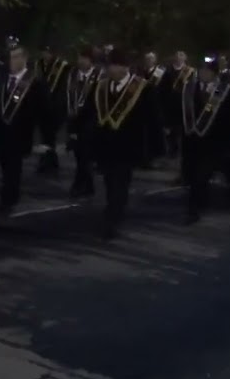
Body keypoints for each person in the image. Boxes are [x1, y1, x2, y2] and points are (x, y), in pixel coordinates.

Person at [92, 48, 157, 239]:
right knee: (109, 181)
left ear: (124, 67)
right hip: (106, 145)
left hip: (128, 146)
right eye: (109, 65)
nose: (111, 69)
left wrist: (152, 147)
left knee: (121, 182)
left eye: (114, 65)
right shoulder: (101, 87)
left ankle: (113, 217)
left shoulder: (142, 88)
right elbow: (93, 115)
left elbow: (152, 119)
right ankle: (112, 209)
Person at [181, 57, 230, 224]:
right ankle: (195, 207)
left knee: (210, 173)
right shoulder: (189, 89)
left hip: (216, 143)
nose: (203, 73)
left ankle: (197, 207)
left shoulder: (224, 91)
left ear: (215, 73)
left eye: (207, 70)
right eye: (201, 69)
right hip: (194, 143)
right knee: (196, 176)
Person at [0, 41, 46, 217]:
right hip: (1, 133)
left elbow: (40, 111)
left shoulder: (34, 83)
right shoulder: (2, 79)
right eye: (10, 57)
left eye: (16, 57)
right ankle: (11, 194)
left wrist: (40, 137)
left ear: (24, 59)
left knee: (13, 169)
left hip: (20, 133)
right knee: (6, 166)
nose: (12, 61)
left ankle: (7, 200)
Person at [65, 46, 101, 198]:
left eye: (83, 58)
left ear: (90, 60)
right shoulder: (73, 74)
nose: (80, 61)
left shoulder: (98, 75)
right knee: (78, 153)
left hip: (91, 120)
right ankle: (88, 185)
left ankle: (79, 184)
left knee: (85, 153)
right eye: (79, 58)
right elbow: (68, 94)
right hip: (75, 118)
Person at [33, 46, 70, 175]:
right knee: (46, 137)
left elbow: (63, 88)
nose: (45, 55)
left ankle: (47, 161)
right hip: (42, 106)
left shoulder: (62, 67)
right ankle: (50, 160)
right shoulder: (39, 65)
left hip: (56, 106)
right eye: (43, 52)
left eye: (48, 52)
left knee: (49, 136)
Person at [138, 51, 167, 168]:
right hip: (143, 108)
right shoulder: (141, 72)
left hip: (156, 108)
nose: (149, 61)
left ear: (155, 60)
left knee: (155, 135)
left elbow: (165, 90)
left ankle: (153, 159)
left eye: (151, 59)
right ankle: (143, 158)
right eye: (147, 59)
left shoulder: (160, 72)